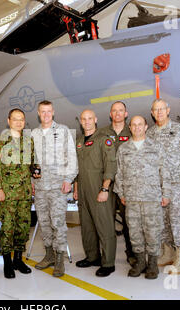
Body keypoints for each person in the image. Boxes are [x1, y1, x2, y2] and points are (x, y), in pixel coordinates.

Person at [114, 116, 171, 279]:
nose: (137, 127)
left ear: (146, 127)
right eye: (134, 125)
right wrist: (121, 194)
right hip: (131, 199)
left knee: (153, 231)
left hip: (152, 198)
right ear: (129, 127)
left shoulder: (156, 147)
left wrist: (166, 193)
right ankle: (140, 262)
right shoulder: (124, 149)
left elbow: (164, 171)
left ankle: (152, 264)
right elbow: (119, 173)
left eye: (140, 124)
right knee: (134, 232)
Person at [147, 99, 180, 275]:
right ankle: (167, 253)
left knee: (176, 221)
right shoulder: (151, 133)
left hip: (176, 185)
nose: (159, 112)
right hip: (158, 187)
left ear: (168, 110)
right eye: (156, 109)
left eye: (162, 109)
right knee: (162, 222)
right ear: (152, 113)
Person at [31, 100, 78, 277]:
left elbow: (71, 156)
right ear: (38, 113)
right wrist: (32, 182)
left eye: (48, 111)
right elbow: (32, 161)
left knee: (58, 223)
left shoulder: (63, 130)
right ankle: (49, 254)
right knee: (44, 222)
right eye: (42, 112)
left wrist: (68, 179)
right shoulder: (34, 134)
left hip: (59, 186)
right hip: (41, 187)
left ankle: (60, 259)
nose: (45, 115)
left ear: (53, 112)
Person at [0, 108, 35, 279]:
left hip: (24, 193)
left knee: (23, 227)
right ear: (8, 121)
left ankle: (18, 259)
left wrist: (35, 176)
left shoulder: (28, 142)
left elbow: (32, 166)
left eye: (21, 119)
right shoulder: (0, 142)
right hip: (7, 193)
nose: (18, 122)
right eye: (15, 119)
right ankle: (7, 262)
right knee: (7, 228)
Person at [73, 109, 117, 277]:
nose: (87, 121)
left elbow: (111, 166)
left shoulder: (104, 140)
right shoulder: (78, 141)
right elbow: (77, 168)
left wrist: (105, 189)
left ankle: (108, 263)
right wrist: (76, 188)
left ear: (96, 119)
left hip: (99, 189)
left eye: (90, 118)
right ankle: (92, 257)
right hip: (83, 189)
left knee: (104, 226)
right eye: (84, 119)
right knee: (87, 226)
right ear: (81, 121)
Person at [98, 101, 135, 266]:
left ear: (126, 114)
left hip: (126, 186)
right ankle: (106, 257)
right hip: (107, 184)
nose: (118, 113)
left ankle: (132, 254)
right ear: (110, 114)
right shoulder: (102, 132)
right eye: (115, 111)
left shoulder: (133, 130)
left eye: (121, 111)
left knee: (129, 223)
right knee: (106, 222)